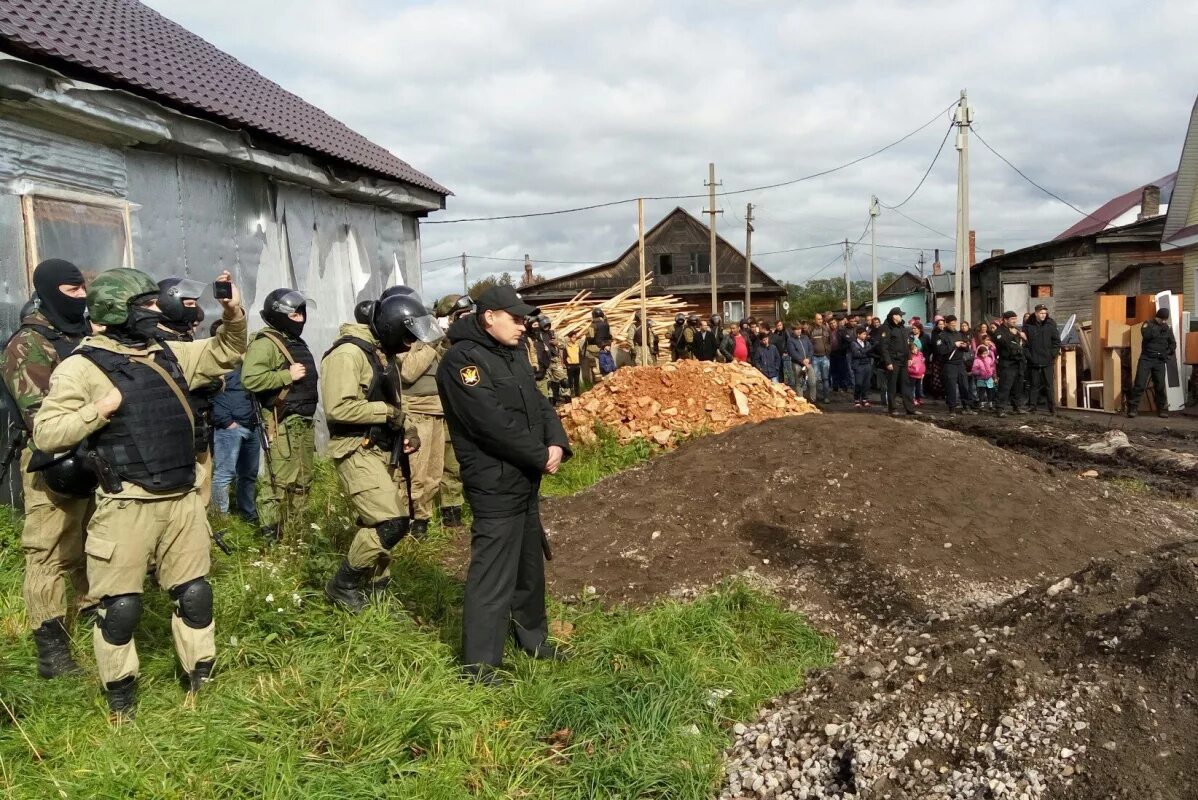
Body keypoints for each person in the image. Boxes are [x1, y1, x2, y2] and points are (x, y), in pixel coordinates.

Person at [33, 268, 247, 716]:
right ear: (117, 310)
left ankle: (201, 683)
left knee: (194, 594)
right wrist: (98, 410)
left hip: (182, 499)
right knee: (122, 607)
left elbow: (226, 351)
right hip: (127, 502)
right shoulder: (82, 365)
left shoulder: (166, 353)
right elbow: (48, 433)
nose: (158, 309)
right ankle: (121, 696)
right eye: (147, 304)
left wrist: (232, 313)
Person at [437, 285, 572, 685]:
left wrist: (556, 443)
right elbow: (490, 423)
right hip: (495, 480)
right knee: (493, 574)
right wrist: (538, 454)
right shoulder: (463, 361)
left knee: (529, 565)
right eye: (515, 318)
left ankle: (533, 639)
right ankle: (479, 667)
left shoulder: (512, 352)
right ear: (489, 316)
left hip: (524, 478)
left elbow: (538, 401)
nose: (523, 324)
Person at [0, 258, 95, 679]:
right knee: (50, 551)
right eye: (72, 291)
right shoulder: (28, 343)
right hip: (52, 463)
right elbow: (43, 420)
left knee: (95, 544)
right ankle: (52, 648)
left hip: (96, 455)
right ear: (50, 290)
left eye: (83, 289)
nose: (82, 297)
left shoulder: (86, 334)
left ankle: (94, 621)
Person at [320, 293, 430, 612]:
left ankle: (378, 586)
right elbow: (339, 407)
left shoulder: (382, 354)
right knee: (391, 522)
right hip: (356, 449)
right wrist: (387, 413)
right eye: (407, 336)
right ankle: (343, 586)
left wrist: (407, 428)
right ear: (391, 327)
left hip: (382, 449)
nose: (410, 344)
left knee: (378, 523)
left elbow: (396, 404)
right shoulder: (348, 354)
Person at [241, 289, 319, 543]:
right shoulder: (267, 343)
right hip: (282, 423)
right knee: (277, 484)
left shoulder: (295, 342)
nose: (301, 319)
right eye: (295, 315)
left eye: (302, 314)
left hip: (304, 422)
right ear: (280, 315)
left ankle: (297, 532)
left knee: (304, 481)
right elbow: (250, 379)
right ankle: (270, 537)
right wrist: (286, 376)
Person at [155, 278, 223, 507]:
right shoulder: (154, 341)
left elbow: (218, 375)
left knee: (202, 493)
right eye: (189, 302)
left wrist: (212, 383)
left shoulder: (186, 338)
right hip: (170, 436)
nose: (194, 310)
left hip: (199, 427)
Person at [398, 320, 452, 540]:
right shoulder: (404, 344)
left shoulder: (430, 346)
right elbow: (408, 372)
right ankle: (407, 521)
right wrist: (429, 345)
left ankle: (422, 519)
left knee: (433, 472)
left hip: (437, 413)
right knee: (416, 472)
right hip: (416, 414)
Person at [209, 321, 260, 523]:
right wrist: (226, 421)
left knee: (248, 474)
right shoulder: (214, 361)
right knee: (224, 473)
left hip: (252, 424)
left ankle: (248, 513)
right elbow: (210, 395)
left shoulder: (246, 360)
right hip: (230, 427)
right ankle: (220, 517)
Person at [1127, 308, 1177, 418]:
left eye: (1165, 320)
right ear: (1157, 317)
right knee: (1140, 383)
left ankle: (1162, 408)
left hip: (1159, 360)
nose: (1164, 321)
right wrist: (1159, 329)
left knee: (1160, 385)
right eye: (1162, 319)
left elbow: (1173, 344)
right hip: (1146, 358)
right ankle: (1133, 408)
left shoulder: (1167, 329)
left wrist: (1167, 352)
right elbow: (1147, 335)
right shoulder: (1148, 324)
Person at [877, 307, 919, 416]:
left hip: (903, 360)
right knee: (892, 385)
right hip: (893, 361)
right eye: (900, 315)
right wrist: (888, 362)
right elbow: (883, 347)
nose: (902, 317)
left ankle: (910, 409)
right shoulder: (886, 328)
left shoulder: (902, 328)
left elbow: (907, 344)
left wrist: (909, 357)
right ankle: (893, 408)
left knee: (906, 385)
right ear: (894, 316)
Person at [1024, 304, 1061, 414]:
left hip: (1047, 360)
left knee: (1049, 385)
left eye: (1045, 313)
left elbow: (1056, 342)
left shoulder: (1050, 324)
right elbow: (1024, 343)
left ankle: (1051, 407)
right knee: (1034, 385)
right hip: (1033, 360)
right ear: (1036, 313)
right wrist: (1029, 356)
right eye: (1041, 313)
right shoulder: (1028, 325)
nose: (1043, 315)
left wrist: (1052, 354)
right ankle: (1032, 406)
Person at [936, 315, 977, 415]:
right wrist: (954, 345)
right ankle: (952, 408)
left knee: (964, 385)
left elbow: (967, 348)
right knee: (951, 387)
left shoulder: (958, 334)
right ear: (946, 323)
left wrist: (964, 346)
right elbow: (941, 350)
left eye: (955, 323)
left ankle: (966, 406)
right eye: (951, 324)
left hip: (960, 363)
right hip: (949, 364)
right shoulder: (941, 336)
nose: (954, 325)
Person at [991, 310, 1029, 416]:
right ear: (1005, 320)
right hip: (1007, 363)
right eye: (1012, 319)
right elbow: (1003, 342)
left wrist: (1023, 337)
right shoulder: (999, 331)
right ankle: (1000, 408)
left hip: (1018, 362)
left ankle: (1017, 406)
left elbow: (1021, 344)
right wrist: (1012, 336)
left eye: (1015, 319)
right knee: (1005, 386)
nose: (1014, 321)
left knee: (1018, 386)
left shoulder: (1016, 330)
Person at [583, 308, 611, 384]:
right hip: (605, 348)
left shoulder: (593, 325)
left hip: (594, 348)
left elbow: (590, 337)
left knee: (595, 367)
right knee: (605, 365)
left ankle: (597, 384)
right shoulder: (606, 325)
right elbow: (610, 336)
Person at [807, 312, 831, 404]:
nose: (820, 320)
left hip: (825, 357)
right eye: (818, 319)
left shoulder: (826, 329)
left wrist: (828, 351)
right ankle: (814, 398)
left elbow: (830, 342)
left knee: (825, 378)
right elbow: (808, 343)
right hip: (814, 358)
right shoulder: (810, 330)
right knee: (814, 379)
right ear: (814, 320)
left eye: (821, 319)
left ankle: (826, 397)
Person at [785, 322, 813, 397]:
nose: (798, 331)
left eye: (799, 329)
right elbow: (792, 353)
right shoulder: (790, 340)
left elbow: (811, 348)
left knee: (812, 382)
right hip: (797, 364)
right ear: (793, 331)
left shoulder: (805, 337)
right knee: (799, 383)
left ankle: (813, 400)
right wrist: (802, 360)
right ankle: (801, 400)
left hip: (808, 363)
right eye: (796, 329)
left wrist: (808, 358)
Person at [849, 326, 875, 408]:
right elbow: (857, 354)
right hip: (858, 366)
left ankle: (865, 399)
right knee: (858, 383)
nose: (865, 336)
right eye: (863, 334)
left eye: (865, 334)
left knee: (866, 383)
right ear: (858, 335)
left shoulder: (867, 343)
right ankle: (857, 399)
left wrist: (864, 352)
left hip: (867, 365)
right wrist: (865, 352)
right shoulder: (854, 343)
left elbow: (870, 353)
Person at [971, 343, 997, 412]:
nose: (985, 355)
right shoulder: (977, 360)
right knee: (981, 392)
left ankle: (990, 404)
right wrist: (979, 372)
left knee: (990, 391)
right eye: (983, 353)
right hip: (981, 379)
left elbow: (992, 366)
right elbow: (974, 370)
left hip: (989, 378)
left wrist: (992, 372)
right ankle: (981, 404)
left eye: (986, 353)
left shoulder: (989, 359)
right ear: (979, 354)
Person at [564, 330, 582, 397]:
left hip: (577, 365)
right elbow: (564, 357)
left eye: (575, 337)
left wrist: (579, 363)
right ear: (570, 338)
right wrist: (567, 365)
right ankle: (572, 393)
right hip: (570, 366)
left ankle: (578, 393)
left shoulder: (577, 345)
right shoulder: (566, 346)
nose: (574, 339)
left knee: (577, 380)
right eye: (573, 337)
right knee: (570, 380)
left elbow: (580, 355)